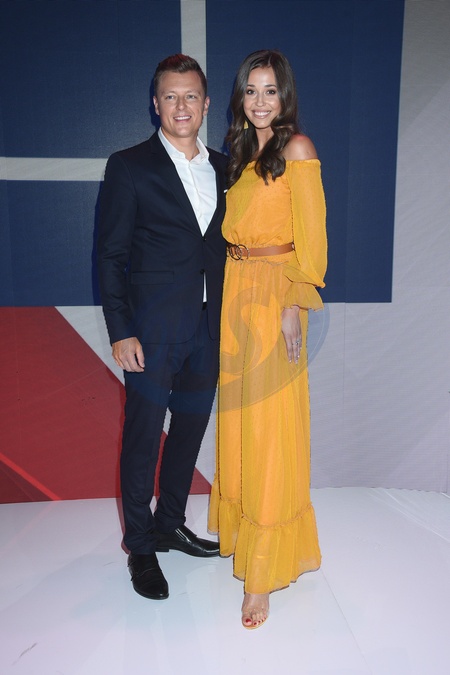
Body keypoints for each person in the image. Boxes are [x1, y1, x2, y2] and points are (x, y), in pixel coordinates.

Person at [97, 54, 227, 600]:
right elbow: (110, 255)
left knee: (189, 434)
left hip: (209, 330)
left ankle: (170, 523)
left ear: (206, 104)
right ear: (156, 104)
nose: (181, 106)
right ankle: (141, 547)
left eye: (190, 96)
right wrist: (120, 329)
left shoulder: (227, 169)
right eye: (170, 96)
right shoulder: (129, 166)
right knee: (144, 438)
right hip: (150, 332)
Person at [208, 50, 327, 628]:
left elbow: (313, 240)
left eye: (270, 91)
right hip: (236, 292)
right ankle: (243, 537)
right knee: (240, 423)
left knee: (271, 428)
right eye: (251, 91)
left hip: (275, 294)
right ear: (240, 98)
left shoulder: (297, 149)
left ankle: (262, 578)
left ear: (285, 97)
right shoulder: (239, 154)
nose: (260, 101)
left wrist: (291, 306)